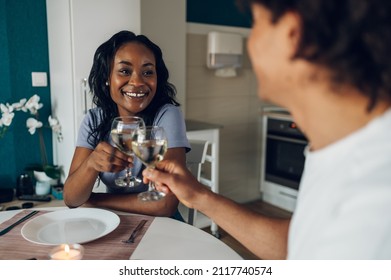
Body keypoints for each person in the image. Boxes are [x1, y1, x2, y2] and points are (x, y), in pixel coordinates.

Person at [142, 0, 391, 259]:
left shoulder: (375, 204)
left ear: (292, 34)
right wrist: (200, 196)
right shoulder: (344, 147)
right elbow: (301, 245)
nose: (250, 43)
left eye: (255, 23)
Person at [63, 31, 190, 218]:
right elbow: (71, 198)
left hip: (161, 225)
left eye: (148, 72)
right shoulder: (94, 119)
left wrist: (94, 201)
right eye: (124, 71)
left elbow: (164, 204)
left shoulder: (166, 115)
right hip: (111, 221)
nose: (137, 82)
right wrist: (90, 164)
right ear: (107, 77)